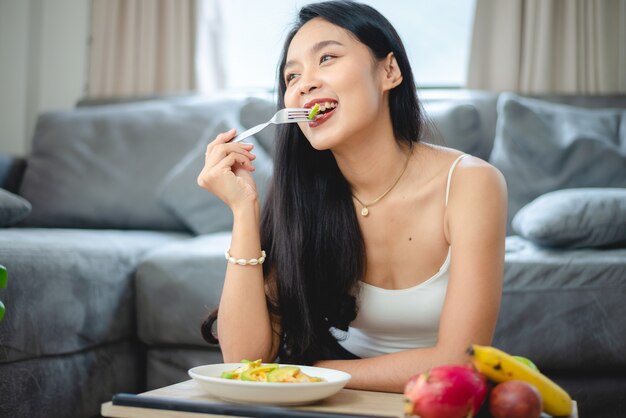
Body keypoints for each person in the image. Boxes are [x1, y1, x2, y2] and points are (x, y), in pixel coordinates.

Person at [197, 0, 507, 393]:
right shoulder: (301, 194)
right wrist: (243, 211)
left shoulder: (470, 183)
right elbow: (244, 362)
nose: (304, 83)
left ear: (389, 71)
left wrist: (309, 374)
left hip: (440, 401)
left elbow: (462, 361)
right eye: (291, 77)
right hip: (339, 401)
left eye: (327, 58)